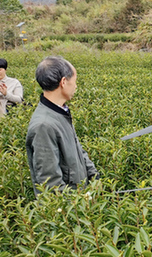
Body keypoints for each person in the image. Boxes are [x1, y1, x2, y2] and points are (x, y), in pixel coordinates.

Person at [26, 56, 99, 196]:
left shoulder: (60, 112)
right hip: (69, 209)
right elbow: (50, 183)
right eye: (75, 81)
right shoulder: (44, 125)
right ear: (64, 82)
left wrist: (93, 176)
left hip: (79, 199)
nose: (76, 86)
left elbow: (77, 150)